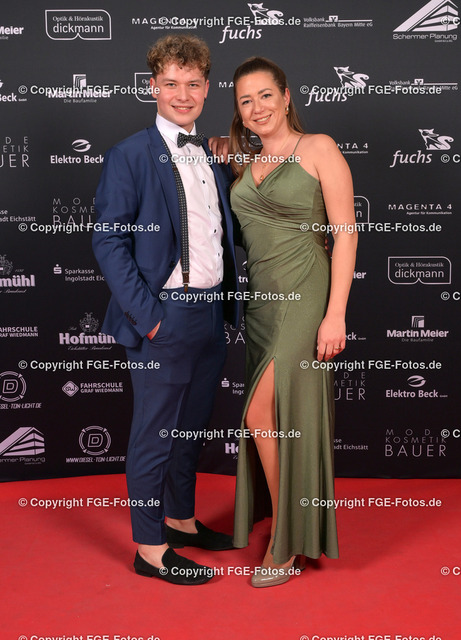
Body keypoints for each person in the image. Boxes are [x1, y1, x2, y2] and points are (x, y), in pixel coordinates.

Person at [92, 34, 239, 586]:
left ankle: (179, 520)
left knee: (190, 428)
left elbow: (219, 231)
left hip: (210, 314)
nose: (183, 95)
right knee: (155, 434)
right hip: (165, 315)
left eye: (193, 84)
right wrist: (149, 317)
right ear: (153, 86)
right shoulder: (130, 154)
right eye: (171, 84)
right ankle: (150, 549)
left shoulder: (210, 153)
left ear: (207, 88)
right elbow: (108, 241)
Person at [228, 56, 357, 587]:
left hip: (306, 295)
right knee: (270, 419)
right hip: (260, 304)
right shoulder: (242, 162)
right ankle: (291, 523)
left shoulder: (319, 147)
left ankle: (286, 536)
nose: (257, 107)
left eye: (265, 95)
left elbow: (345, 233)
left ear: (286, 96)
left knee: (260, 413)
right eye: (245, 100)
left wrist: (335, 314)